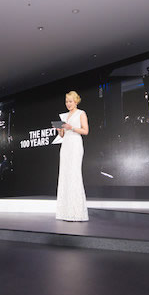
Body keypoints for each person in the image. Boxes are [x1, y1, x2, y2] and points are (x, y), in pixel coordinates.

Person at [54, 90, 89, 222]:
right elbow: (63, 135)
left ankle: (77, 212)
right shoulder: (65, 116)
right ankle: (65, 212)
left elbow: (85, 131)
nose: (68, 104)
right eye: (66, 101)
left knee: (74, 175)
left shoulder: (81, 113)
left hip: (75, 144)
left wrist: (71, 127)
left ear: (76, 101)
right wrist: (60, 130)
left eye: (70, 101)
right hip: (66, 145)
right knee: (65, 175)